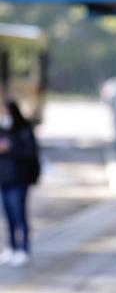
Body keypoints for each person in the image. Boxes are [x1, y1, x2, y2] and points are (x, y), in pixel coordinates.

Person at [0, 100, 40, 267]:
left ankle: (24, 248)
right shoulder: (2, 131)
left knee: (19, 215)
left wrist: (11, 148)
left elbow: (31, 154)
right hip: (4, 180)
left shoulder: (23, 131)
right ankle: (11, 247)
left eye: (6, 113)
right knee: (7, 216)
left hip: (19, 180)